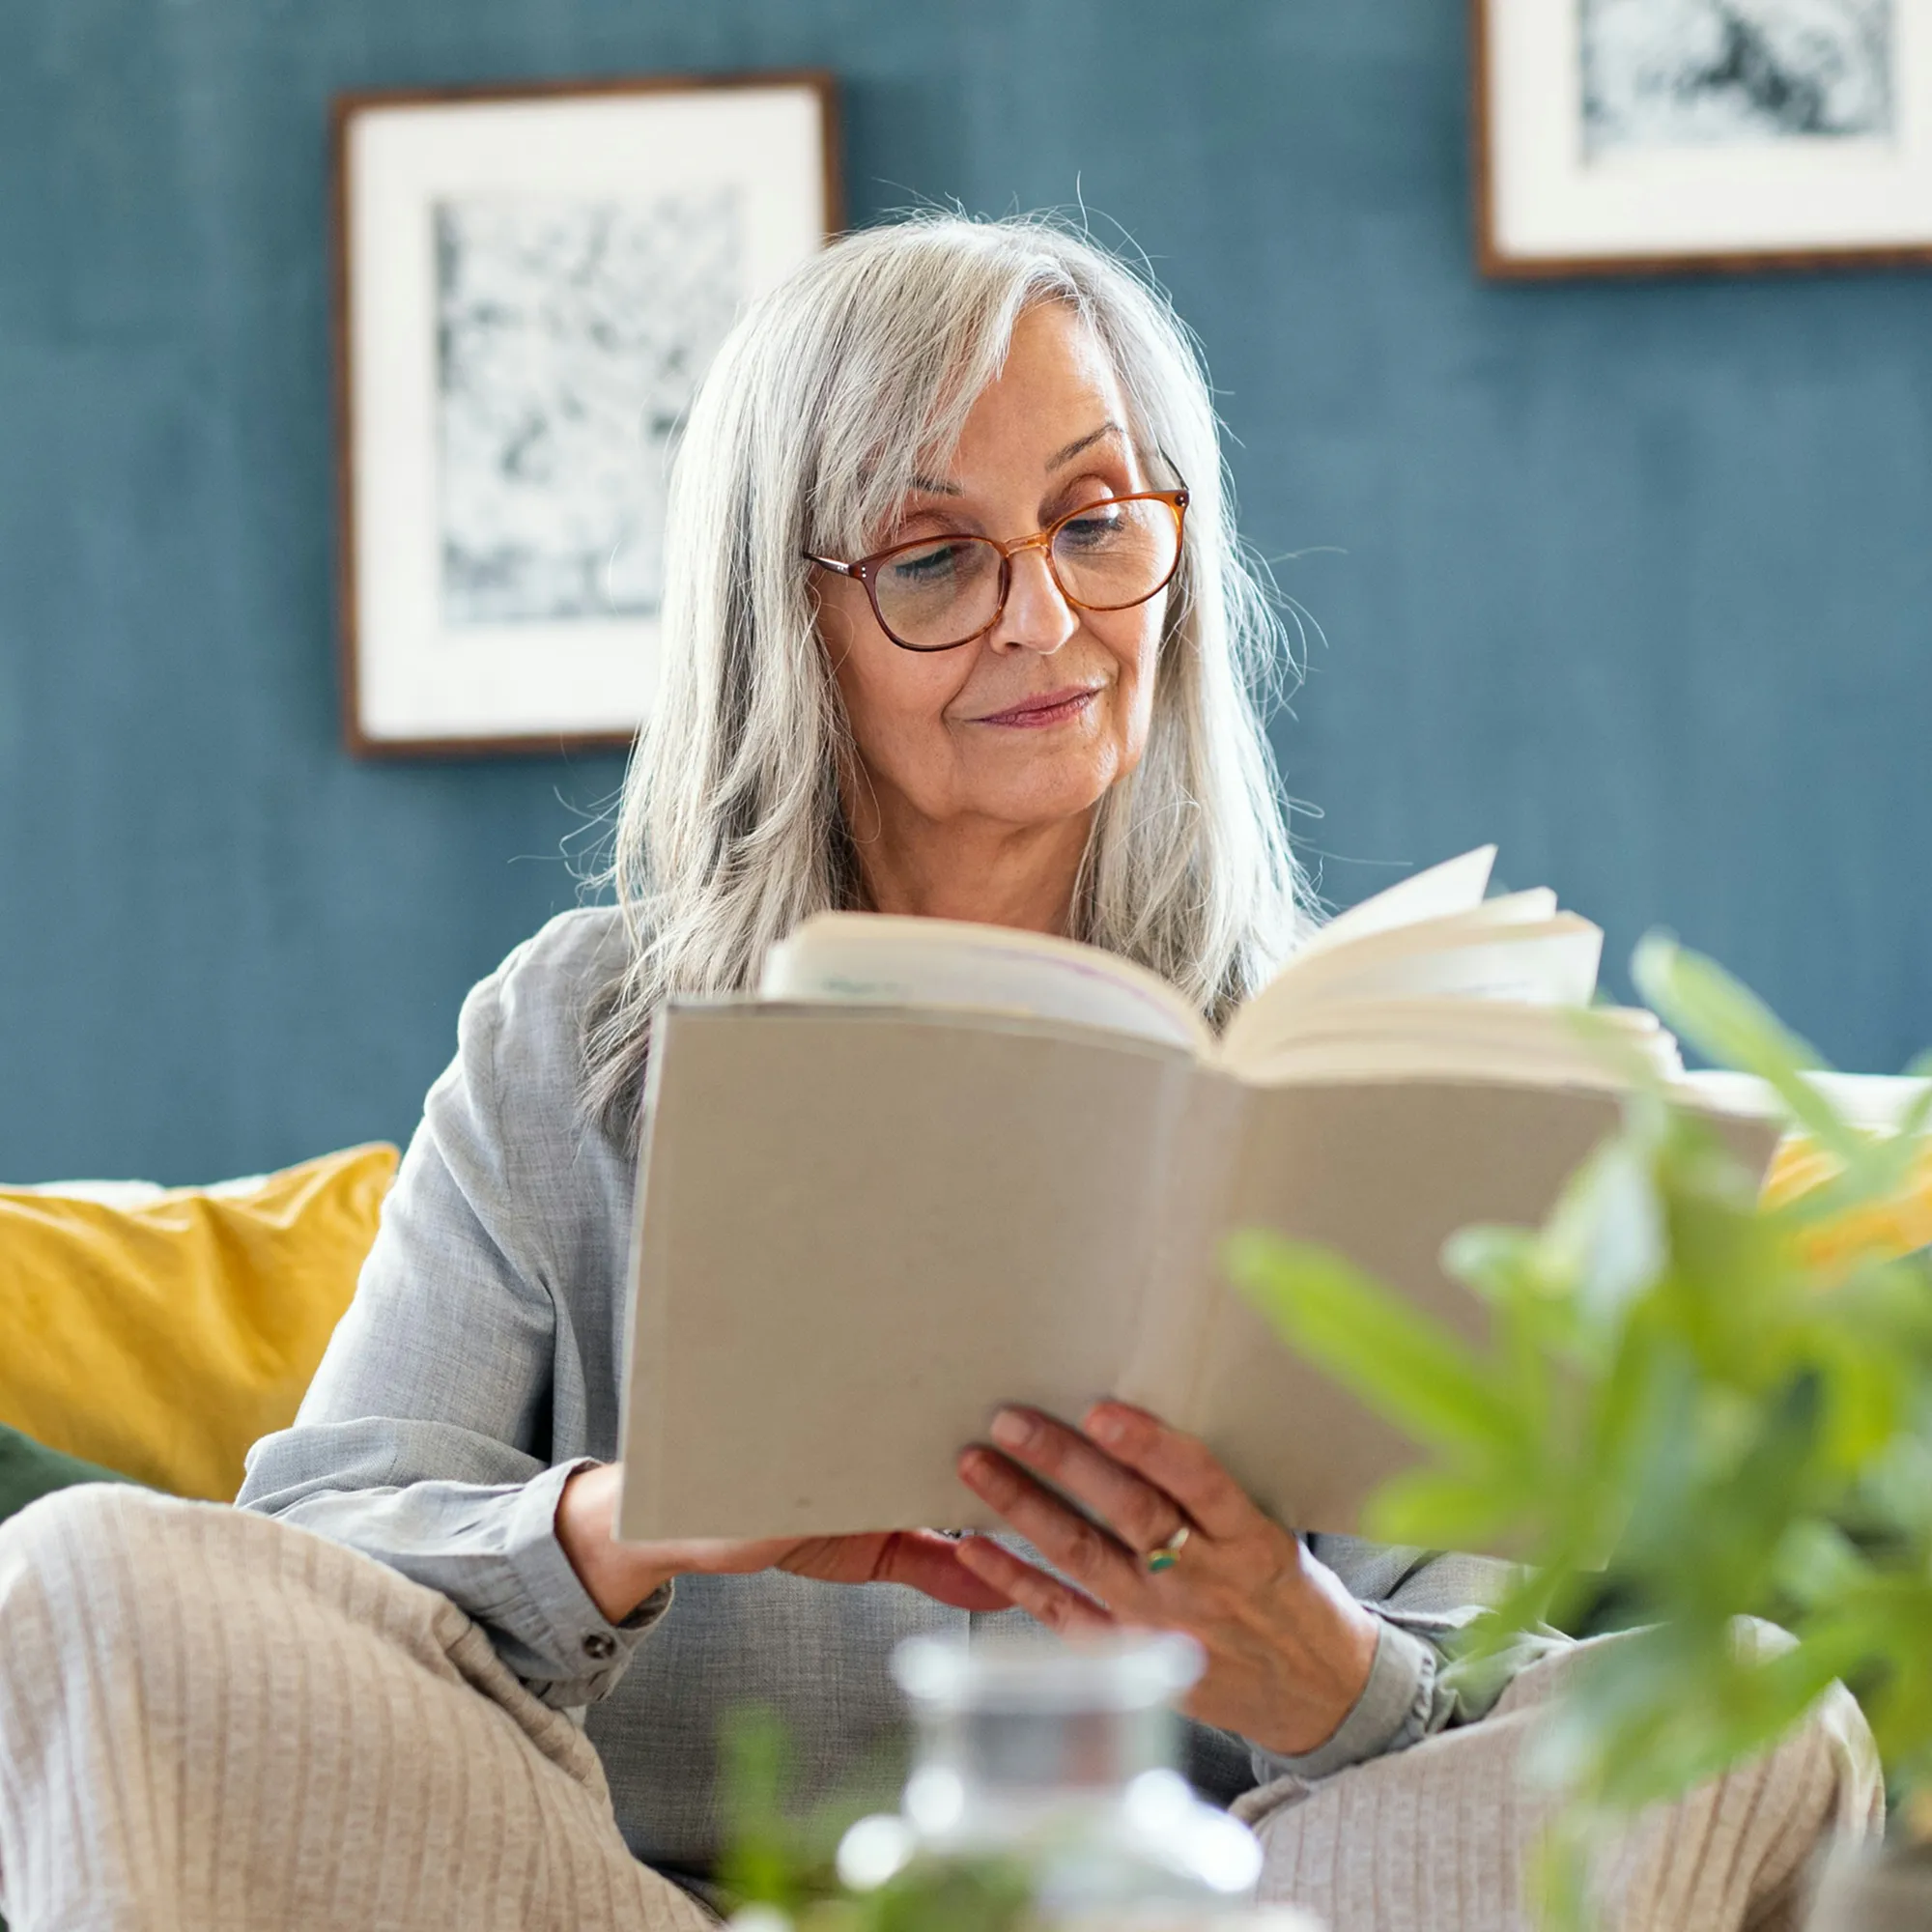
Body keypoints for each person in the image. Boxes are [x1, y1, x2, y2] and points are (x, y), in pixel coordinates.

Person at [0, 215, 1878, 1932]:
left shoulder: (1344, 1072)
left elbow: (1469, 1675)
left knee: (1763, 1732)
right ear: (786, 619)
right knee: (83, 1582)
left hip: (1190, 1906)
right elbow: (309, 1558)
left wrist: (1303, 1660)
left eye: (1092, 520)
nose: (1046, 619)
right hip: (625, 1902)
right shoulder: (577, 1039)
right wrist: (639, 1518)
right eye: (931, 559)